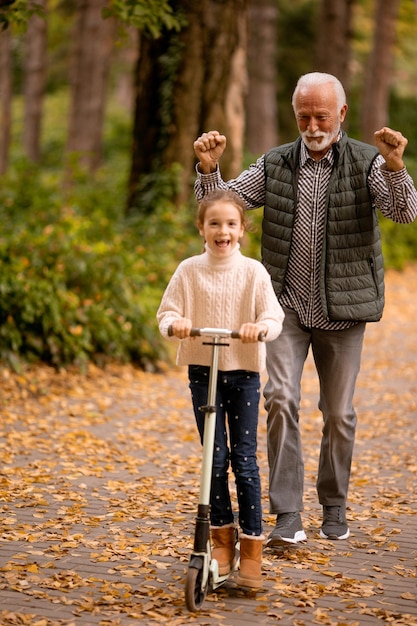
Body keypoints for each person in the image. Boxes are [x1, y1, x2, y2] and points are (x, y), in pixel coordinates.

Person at [193, 72, 417, 547]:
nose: (312, 125)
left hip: (344, 310)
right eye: (303, 116)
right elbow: (221, 210)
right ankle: (288, 514)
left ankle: (334, 506)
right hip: (285, 308)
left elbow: (404, 212)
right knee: (280, 399)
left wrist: (397, 167)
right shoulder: (274, 164)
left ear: (342, 114)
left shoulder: (367, 162)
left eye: (321, 115)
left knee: (338, 413)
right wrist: (209, 171)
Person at [157, 189, 285, 586]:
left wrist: (259, 328)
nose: (222, 231)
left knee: (244, 463)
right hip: (203, 371)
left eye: (231, 224)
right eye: (214, 223)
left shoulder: (253, 273)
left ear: (242, 230)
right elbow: (166, 313)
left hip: (243, 373)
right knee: (213, 462)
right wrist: (175, 324)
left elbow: (273, 316)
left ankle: (250, 552)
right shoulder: (189, 270)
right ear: (201, 228)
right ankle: (222, 543)